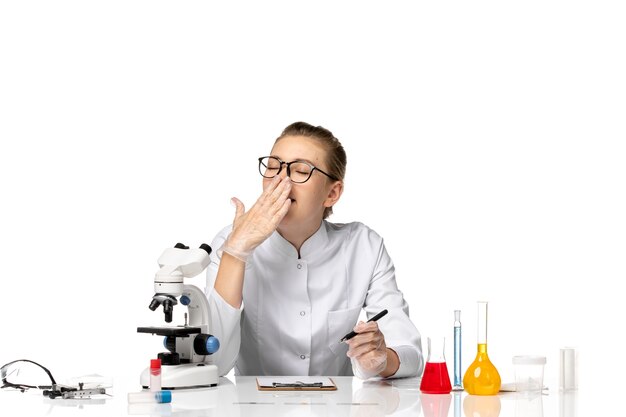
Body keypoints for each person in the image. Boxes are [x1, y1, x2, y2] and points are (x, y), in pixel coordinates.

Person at [205, 121, 423, 379]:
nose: (281, 179)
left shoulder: (363, 246)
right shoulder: (230, 242)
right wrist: (236, 253)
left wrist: (381, 359)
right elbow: (212, 363)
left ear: (332, 193)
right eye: (273, 166)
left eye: (300, 170)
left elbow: (411, 355)